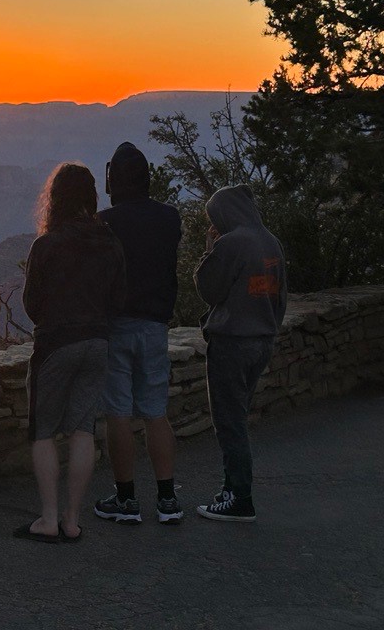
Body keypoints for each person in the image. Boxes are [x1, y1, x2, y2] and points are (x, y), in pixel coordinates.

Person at [15, 163, 125, 544]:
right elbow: (118, 297)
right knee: (83, 429)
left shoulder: (46, 245)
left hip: (57, 345)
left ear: (55, 199)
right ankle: (73, 520)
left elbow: (31, 305)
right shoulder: (109, 241)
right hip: (97, 342)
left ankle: (47, 518)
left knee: (43, 431)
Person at [93, 142, 184, 525]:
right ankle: (167, 499)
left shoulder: (105, 222)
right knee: (155, 413)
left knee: (118, 413)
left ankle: (126, 499)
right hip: (155, 324)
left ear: (113, 180)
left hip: (116, 325)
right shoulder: (170, 218)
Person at [194, 184, 286, 523]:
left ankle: (239, 499)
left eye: (213, 217)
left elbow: (209, 290)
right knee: (238, 417)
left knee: (229, 422)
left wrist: (209, 250)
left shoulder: (231, 243)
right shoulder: (269, 242)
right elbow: (281, 296)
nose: (211, 224)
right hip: (261, 339)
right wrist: (269, 328)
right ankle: (231, 488)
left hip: (232, 342)